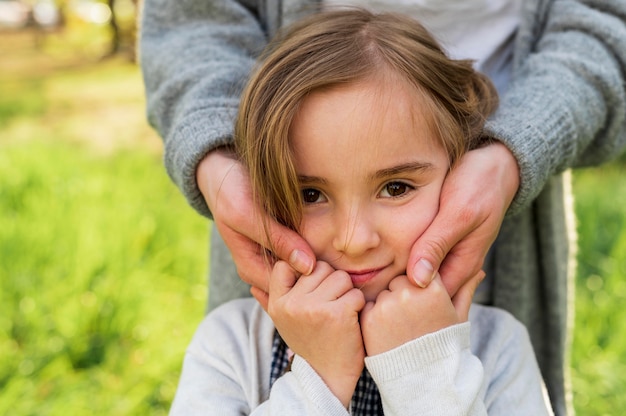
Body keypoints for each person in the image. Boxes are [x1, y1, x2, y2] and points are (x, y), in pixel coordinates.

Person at [139, 0, 626, 414]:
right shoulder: (229, 346)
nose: (354, 240)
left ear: (460, 173)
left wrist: (425, 374)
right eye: (310, 194)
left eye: (396, 187)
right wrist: (320, 380)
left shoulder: (499, 347)